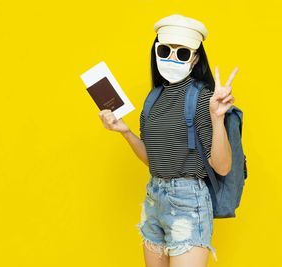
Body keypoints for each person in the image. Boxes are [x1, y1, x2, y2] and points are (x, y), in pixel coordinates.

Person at [98, 14, 238, 267]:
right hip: (154, 196)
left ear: (195, 58)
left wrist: (217, 118)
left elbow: (223, 167)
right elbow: (154, 161)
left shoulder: (203, 98)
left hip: (188, 201)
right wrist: (125, 132)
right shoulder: (153, 98)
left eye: (182, 53)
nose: (172, 58)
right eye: (165, 50)